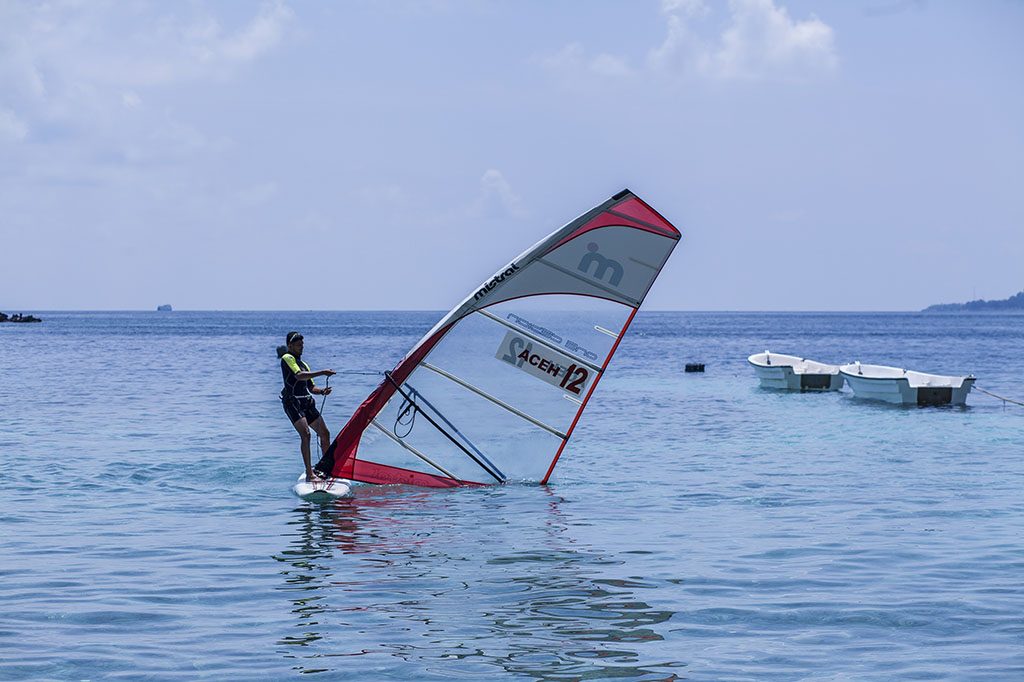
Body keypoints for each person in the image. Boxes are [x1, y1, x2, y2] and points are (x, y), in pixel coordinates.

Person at [278, 331, 335, 481]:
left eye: (302, 345)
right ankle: (310, 474)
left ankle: (325, 468)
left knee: (325, 433)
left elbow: (311, 388)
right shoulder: (287, 358)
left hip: (307, 402)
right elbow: (298, 376)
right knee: (306, 435)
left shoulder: (304, 364)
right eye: (298, 345)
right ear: (290, 345)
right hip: (293, 402)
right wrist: (322, 372)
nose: (301, 347)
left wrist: (322, 391)